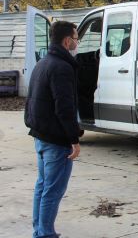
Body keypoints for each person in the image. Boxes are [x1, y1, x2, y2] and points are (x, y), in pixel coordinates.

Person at [24, 20, 82, 238]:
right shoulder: (62, 68)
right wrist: (74, 140)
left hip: (41, 136)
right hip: (56, 142)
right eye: (76, 38)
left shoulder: (43, 63)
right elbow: (64, 109)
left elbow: (30, 102)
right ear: (67, 41)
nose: (78, 43)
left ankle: (39, 230)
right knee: (52, 191)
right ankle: (45, 234)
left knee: (42, 186)